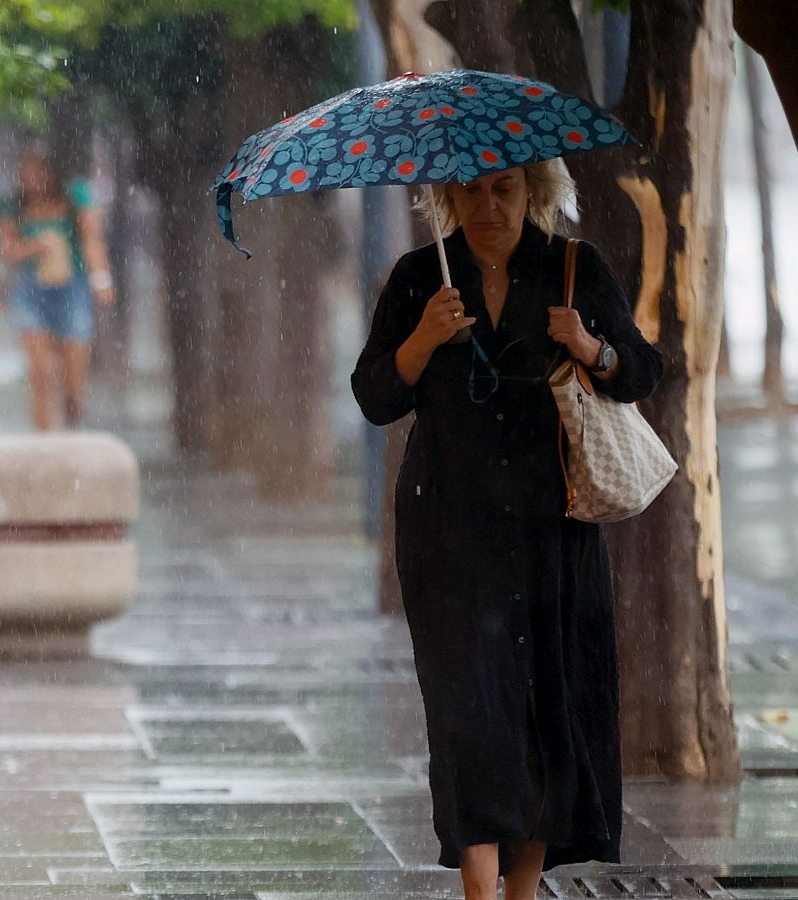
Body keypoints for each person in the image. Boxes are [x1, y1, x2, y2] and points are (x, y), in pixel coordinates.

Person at [351, 162, 663, 900]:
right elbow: (374, 396)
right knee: (468, 712)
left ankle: (521, 890)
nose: (487, 205)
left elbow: (645, 370)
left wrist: (591, 348)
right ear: (447, 197)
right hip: (447, 533)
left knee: (548, 710)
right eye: (471, 190)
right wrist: (424, 337)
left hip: (554, 532)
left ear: (535, 194)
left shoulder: (574, 270)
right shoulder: (419, 276)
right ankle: (479, 890)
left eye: (506, 189)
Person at [0, 152, 115, 430]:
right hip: (32, 291)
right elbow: (7, 248)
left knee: (74, 374)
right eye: (25, 174)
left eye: (37, 172)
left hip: (72, 289)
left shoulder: (75, 198)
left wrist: (101, 279)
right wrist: (36, 247)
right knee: (40, 371)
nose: (30, 180)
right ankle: (44, 438)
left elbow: (91, 239)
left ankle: (73, 426)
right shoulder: (12, 206)